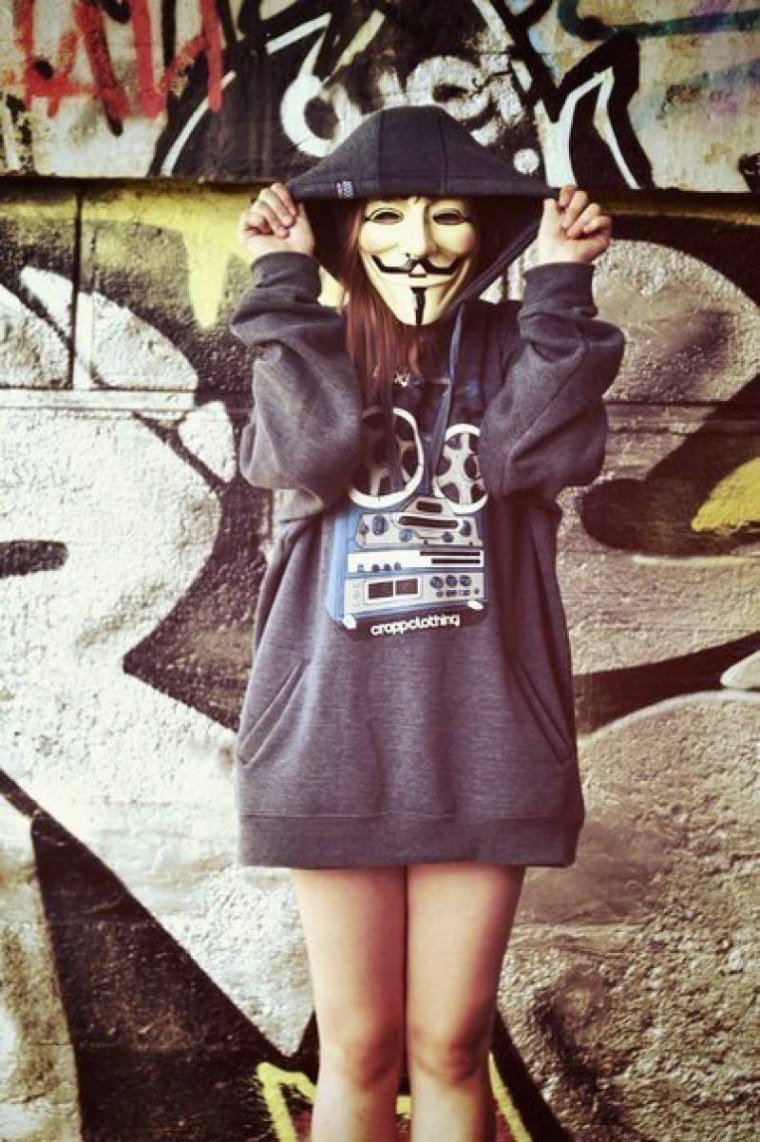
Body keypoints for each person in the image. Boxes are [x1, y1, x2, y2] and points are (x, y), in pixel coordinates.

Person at [232, 106, 624, 1142]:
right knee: (358, 1049)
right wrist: (284, 285)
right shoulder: (307, 343)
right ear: (346, 231)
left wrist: (559, 285)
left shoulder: (521, 343)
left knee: (450, 1044)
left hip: (484, 739)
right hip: (329, 738)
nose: (418, 241)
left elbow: (522, 458)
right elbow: (309, 456)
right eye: (387, 215)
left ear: (485, 230)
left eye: (447, 214)